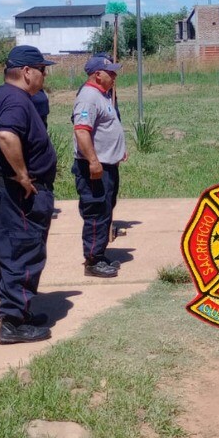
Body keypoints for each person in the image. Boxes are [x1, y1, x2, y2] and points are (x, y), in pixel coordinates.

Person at [0, 45, 58, 343]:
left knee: (10, 254)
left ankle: (18, 313)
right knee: (22, 252)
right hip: (12, 193)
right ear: (26, 72)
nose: (44, 76)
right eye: (42, 70)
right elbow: (6, 135)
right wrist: (23, 175)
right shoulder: (16, 101)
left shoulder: (1, 96)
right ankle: (12, 323)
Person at [72, 53, 126, 278]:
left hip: (106, 165)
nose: (114, 76)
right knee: (96, 212)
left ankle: (99, 254)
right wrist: (94, 161)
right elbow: (82, 131)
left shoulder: (103, 95)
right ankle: (92, 260)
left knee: (105, 210)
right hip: (94, 167)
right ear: (97, 74)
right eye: (110, 72)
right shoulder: (88, 97)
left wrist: (119, 148)